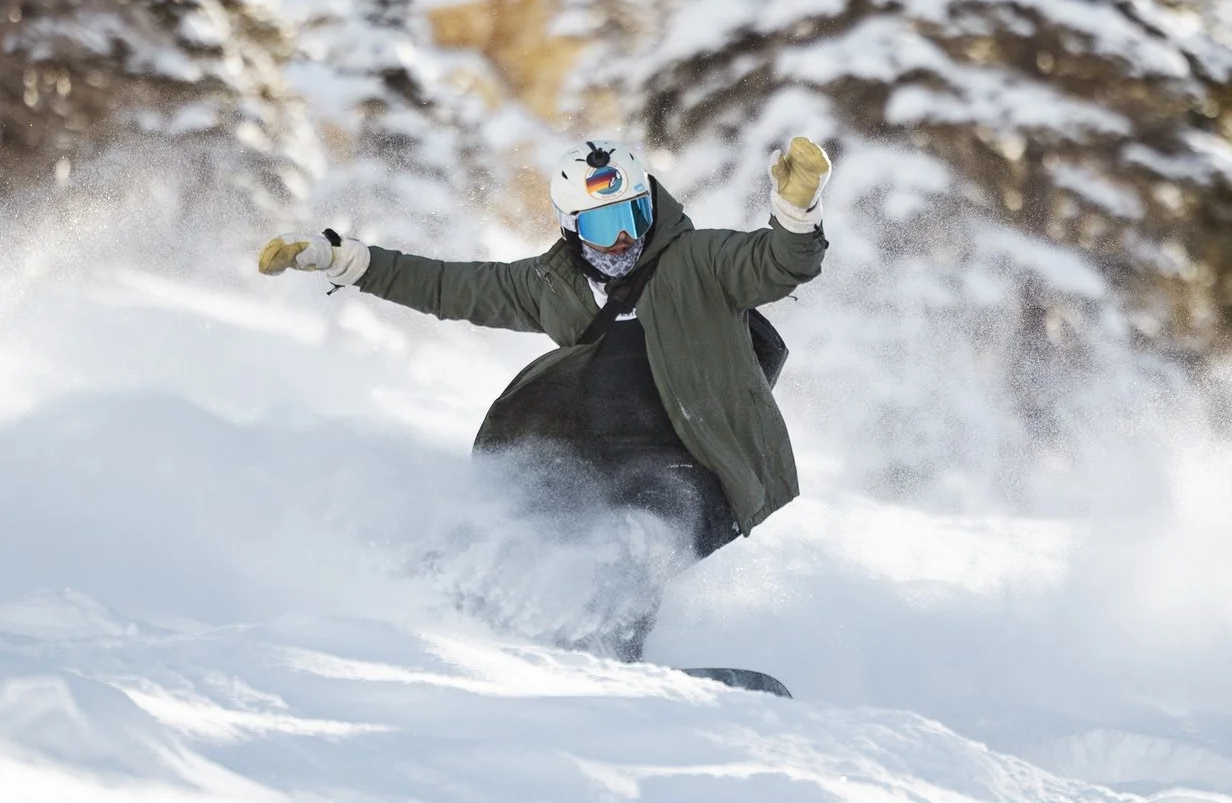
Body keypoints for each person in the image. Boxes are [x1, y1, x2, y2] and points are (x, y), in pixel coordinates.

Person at [257, 136, 832, 660]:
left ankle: (610, 657)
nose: (625, 238)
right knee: (517, 513)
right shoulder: (551, 285)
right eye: (605, 227)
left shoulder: (700, 263)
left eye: (634, 214)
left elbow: (777, 264)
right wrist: (342, 259)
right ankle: (430, 613)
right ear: (573, 228)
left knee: (638, 539)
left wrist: (795, 212)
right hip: (594, 456)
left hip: (694, 462)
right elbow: (447, 287)